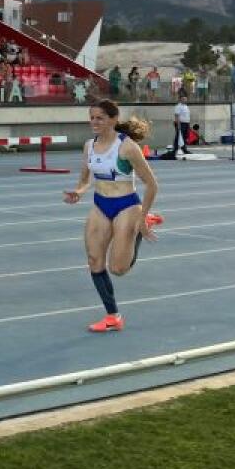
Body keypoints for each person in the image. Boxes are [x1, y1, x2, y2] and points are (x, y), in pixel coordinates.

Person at [62, 100, 159, 333]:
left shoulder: (127, 147)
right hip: (100, 205)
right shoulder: (89, 146)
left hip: (127, 206)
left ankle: (140, 226)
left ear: (113, 120)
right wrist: (79, 191)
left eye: (100, 118)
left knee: (118, 269)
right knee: (94, 261)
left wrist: (141, 216)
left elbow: (152, 185)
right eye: (92, 117)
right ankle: (113, 316)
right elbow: (85, 180)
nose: (94, 122)